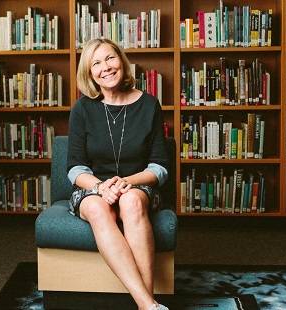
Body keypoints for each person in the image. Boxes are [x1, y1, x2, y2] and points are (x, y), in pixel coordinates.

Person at [67, 38, 170, 310]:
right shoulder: (82, 108)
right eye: (96, 63)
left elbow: (159, 167)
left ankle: (144, 304)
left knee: (131, 201)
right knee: (101, 209)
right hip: (93, 187)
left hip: (138, 186)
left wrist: (127, 182)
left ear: (122, 62)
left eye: (110, 58)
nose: (106, 67)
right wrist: (101, 187)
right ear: (89, 73)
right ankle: (149, 305)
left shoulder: (149, 105)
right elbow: (75, 168)